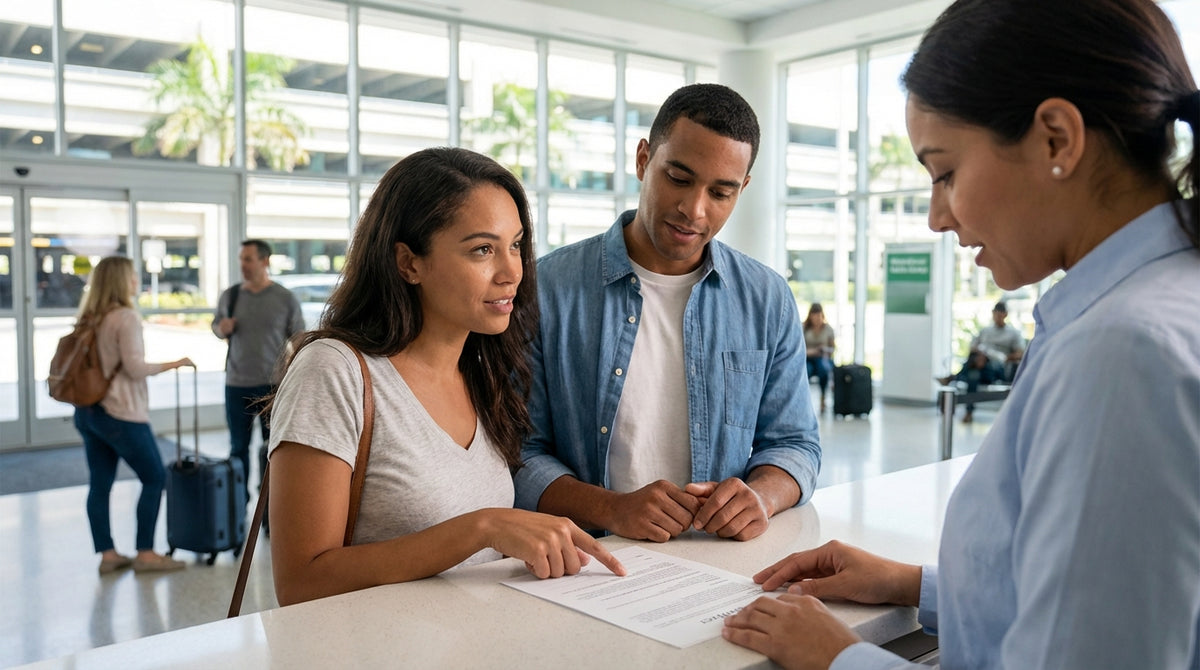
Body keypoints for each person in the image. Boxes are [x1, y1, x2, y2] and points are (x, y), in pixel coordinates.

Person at [722, 1, 1200, 667]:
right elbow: (1101, 599)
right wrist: (910, 585)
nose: (936, 217)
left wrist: (839, 657)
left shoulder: (1120, 353)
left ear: (1056, 138)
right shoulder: (1161, 300)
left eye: (945, 172)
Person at [265, 147, 625, 606]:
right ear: (408, 263)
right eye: (482, 250)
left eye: (515, 245)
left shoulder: (482, 371)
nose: (512, 271)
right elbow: (300, 582)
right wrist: (484, 527)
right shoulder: (334, 371)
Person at [514, 83, 822, 544]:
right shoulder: (547, 288)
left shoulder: (767, 297)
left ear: (743, 188)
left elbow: (795, 444)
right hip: (586, 562)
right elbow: (518, 452)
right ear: (643, 159)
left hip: (718, 562)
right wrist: (613, 509)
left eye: (721, 192)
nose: (694, 210)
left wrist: (761, 497)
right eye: (678, 178)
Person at [72, 256, 195, 574]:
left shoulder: (89, 316)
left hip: (89, 411)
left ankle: (108, 554)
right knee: (155, 477)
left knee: (100, 483)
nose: (136, 279)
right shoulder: (125, 317)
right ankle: (146, 553)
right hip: (121, 414)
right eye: (131, 275)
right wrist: (175, 363)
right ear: (120, 280)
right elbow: (135, 367)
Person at [211, 240, 304, 502]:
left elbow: (298, 338)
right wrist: (222, 329)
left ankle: (269, 509)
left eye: (249, 259)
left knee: (271, 450)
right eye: (241, 259)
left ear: (265, 262)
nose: (243, 265)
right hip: (236, 383)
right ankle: (237, 505)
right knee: (237, 448)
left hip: (272, 386)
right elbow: (216, 327)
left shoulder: (285, 298)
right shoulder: (230, 296)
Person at [940, 300, 1025, 422]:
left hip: (998, 367)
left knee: (975, 368)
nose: (997, 317)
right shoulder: (985, 331)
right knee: (973, 375)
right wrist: (981, 355)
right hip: (980, 365)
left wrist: (1006, 357)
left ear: (1005, 314)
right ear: (992, 313)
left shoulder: (1013, 333)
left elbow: (1020, 353)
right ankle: (968, 412)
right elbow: (973, 347)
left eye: (1000, 314)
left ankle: (953, 378)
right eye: (995, 313)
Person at [802, 303, 836, 413]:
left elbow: (832, 349)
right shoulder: (804, 328)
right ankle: (804, 400)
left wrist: (823, 350)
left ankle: (823, 397)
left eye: (819, 316)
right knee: (806, 371)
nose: (817, 319)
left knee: (823, 369)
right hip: (808, 358)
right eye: (814, 316)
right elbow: (799, 349)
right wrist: (812, 351)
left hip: (823, 359)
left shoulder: (828, 329)